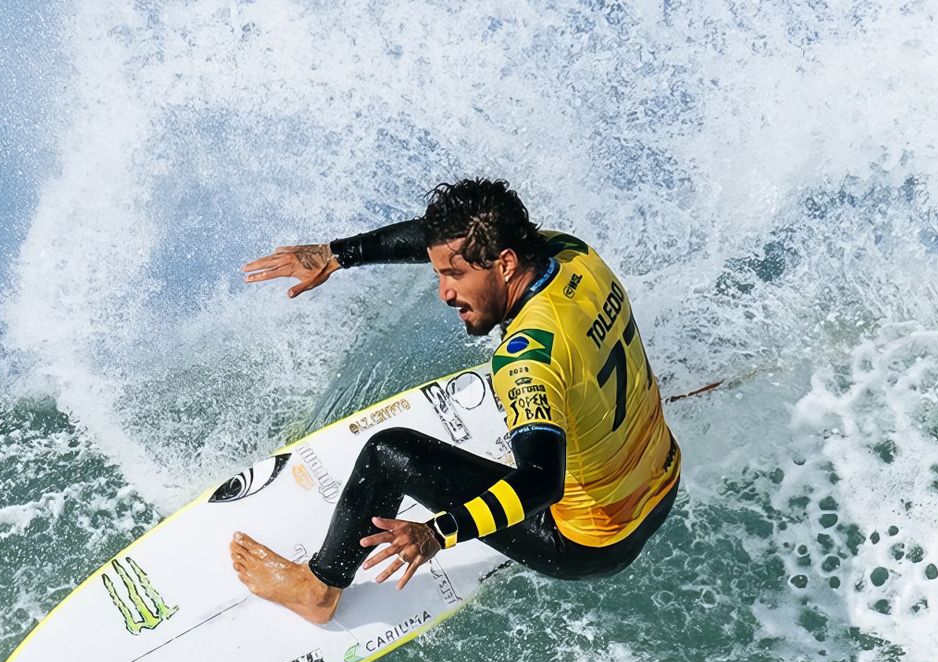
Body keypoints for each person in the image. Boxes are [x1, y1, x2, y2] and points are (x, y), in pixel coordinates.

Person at [229, 179, 680, 624]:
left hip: (590, 543)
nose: (445, 292)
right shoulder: (573, 255)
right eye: (441, 272)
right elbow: (442, 237)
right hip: (663, 483)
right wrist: (336, 254)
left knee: (390, 454)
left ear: (504, 263)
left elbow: (543, 484)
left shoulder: (527, 360)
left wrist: (438, 531)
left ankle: (317, 590)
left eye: (456, 274)